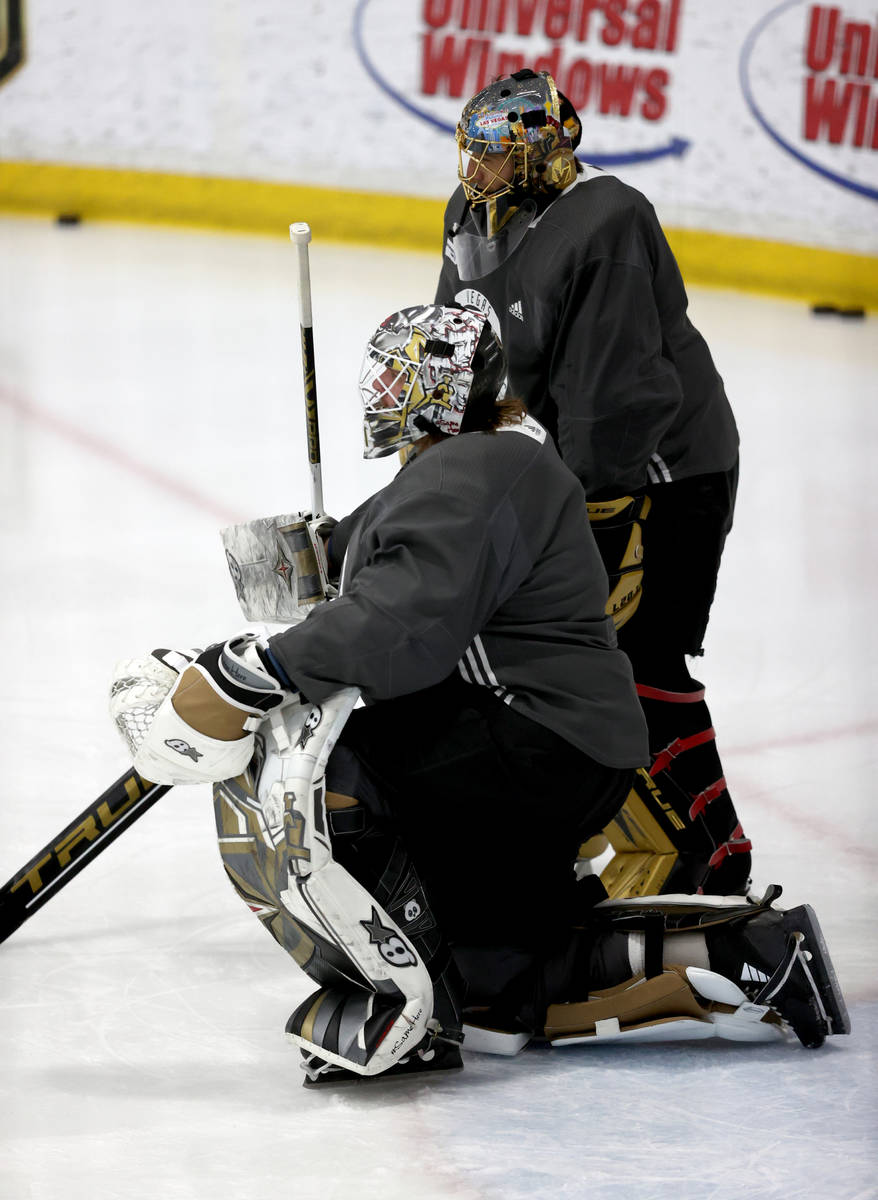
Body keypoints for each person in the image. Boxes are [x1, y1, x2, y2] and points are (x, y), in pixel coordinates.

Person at [111, 306, 848, 1086]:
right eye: (384, 371)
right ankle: (760, 954)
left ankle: (411, 1010)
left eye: (402, 373)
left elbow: (400, 622)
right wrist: (307, 556)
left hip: (533, 740)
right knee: (501, 976)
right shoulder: (482, 465)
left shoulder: (478, 471)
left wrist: (253, 671)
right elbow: (362, 564)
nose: (383, 388)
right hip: (551, 743)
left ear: (447, 384)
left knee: (325, 786)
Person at [435, 68, 751, 898]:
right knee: (560, 657)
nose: (475, 173)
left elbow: (618, 403)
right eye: (470, 154)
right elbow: (455, 344)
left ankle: (710, 854)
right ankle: (579, 830)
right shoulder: (471, 211)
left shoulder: (608, 220)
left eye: (495, 157)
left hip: (665, 472)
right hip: (580, 461)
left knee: (638, 658)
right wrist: (437, 453)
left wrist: (587, 519)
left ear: (539, 154)